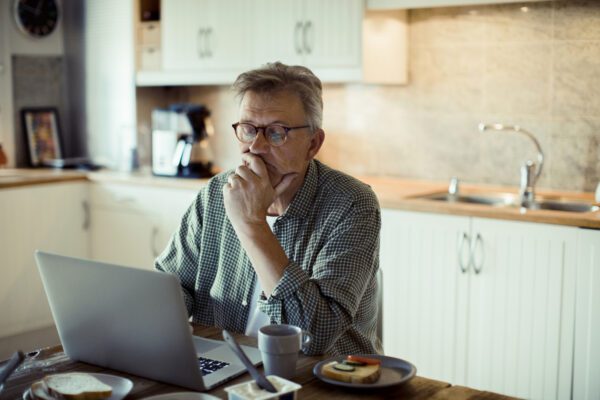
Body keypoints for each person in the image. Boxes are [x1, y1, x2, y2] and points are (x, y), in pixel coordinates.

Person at [155, 62, 381, 356]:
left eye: (276, 132)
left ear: (313, 144)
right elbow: (173, 286)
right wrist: (152, 315)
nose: (256, 147)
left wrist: (251, 223)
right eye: (248, 130)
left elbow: (314, 336)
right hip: (229, 367)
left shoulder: (351, 203)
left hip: (322, 380)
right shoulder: (215, 193)